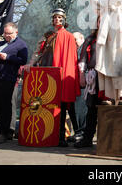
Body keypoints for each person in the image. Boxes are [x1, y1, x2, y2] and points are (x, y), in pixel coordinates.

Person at [23, 8, 80, 147]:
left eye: (60, 18)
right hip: (47, 73)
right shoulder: (47, 35)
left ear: (64, 20)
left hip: (61, 75)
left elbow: (70, 59)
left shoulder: (68, 36)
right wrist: (31, 64)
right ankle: (48, 134)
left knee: (62, 105)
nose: (57, 20)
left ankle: (62, 136)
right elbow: (38, 53)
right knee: (47, 104)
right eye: (55, 18)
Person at [74, 23, 99, 148]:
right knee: (91, 108)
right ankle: (87, 138)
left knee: (107, 108)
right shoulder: (90, 39)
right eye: (100, 21)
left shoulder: (114, 36)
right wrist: (82, 75)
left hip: (109, 77)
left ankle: (106, 139)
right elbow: (83, 57)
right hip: (93, 76)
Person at [71, 31, 87, 143]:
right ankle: (77, 131)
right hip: (73, 83)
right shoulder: (74, 51)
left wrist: (83, 78)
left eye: (75, 39)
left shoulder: (84, 50)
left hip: (82, 83)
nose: (74, 42)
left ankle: (81, 132)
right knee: (73, 109)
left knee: (80, 109)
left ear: (82, 38)